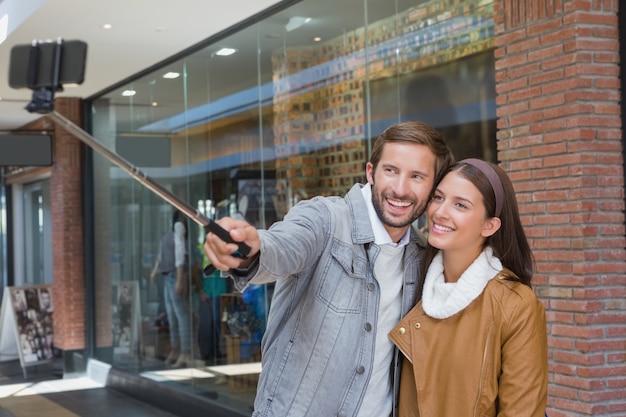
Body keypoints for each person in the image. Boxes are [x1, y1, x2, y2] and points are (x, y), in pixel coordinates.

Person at [203, 121, 454, 417]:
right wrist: (251, 248)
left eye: (417, 176)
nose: (400, 188)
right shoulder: (324, 219)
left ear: (433, 186)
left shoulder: (423, 256)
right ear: (371, 172)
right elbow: (284, 245)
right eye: (391, 171)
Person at [388, 159, 548, 417]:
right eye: (438, 198)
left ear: (490, 225)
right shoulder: (412, 287)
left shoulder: (516, 306)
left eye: (460, 205)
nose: (440, 212)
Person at [151, 210, 193, 368]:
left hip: (174, 276)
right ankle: (176, 350)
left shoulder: (178, 228)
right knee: (172, 315)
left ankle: (185, 352)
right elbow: (161, 255)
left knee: (180, 315)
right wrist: (155, 270)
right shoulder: (171, 232)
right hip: (167, 275)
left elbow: (180, 255)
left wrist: (180, 279)